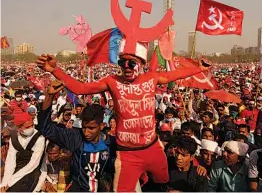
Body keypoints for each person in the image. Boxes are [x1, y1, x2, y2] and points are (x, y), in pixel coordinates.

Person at [36, 43, 209, 191]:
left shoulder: (152, 78)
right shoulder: (112, 81)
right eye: (122, 62)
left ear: (140, 63)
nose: (126, 66)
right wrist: (54, 70)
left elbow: (175, 75)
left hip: (152, 149)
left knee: (165, 182)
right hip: (128, 155)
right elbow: (81, 89)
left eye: (131, 63)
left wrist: (198, 68)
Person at [37, 80, 116, 192]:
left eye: (91, 128)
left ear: (102, 126)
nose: (86, 132)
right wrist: (49, 96)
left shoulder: (112, 143)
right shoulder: (75, 137)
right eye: (84, 127)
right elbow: (46, 128)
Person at [0, 112, 45, 192]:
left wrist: (11, 181)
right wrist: (4, 183)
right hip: (17, 169)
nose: (31, 128)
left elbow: (33, 164)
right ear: (18, 128)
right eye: (27, 127)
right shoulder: (14, 138)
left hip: (31, 172)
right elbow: (10, 162)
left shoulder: (39, 138)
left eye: (32, 125)